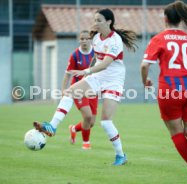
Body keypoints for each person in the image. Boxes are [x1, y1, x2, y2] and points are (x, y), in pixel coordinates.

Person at [34, 8, 137, 166]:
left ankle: (120, 155)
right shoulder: (95, 38)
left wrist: (86, 71)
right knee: (69, 92)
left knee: (105, 122)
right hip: (97, 76)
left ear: (109, 22)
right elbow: (97, 59)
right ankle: (52, 126)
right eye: (94, 20)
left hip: (114, 80)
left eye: (99, 20)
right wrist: (87, 74)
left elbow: (106, 64)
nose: (95, 23)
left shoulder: (115, 40)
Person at [140, 0, 187, 178]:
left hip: (170, 89)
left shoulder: (159, 38)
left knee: (176, 132)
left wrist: (146, 82)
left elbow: (144, 66)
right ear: (181, 19)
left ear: (165, 19)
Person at [62, 30, 98, 150]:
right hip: (78, 90)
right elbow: (67, 74)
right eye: (82, 39)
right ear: (79, 40)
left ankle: (74, 129)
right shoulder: (75, 55)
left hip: (92, 89)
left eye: (87, 38)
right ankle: (86, 144)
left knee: (91, 122)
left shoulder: (96, 53)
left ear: (90, 40)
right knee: (87, 116)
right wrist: (63, 90)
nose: (84, 41)